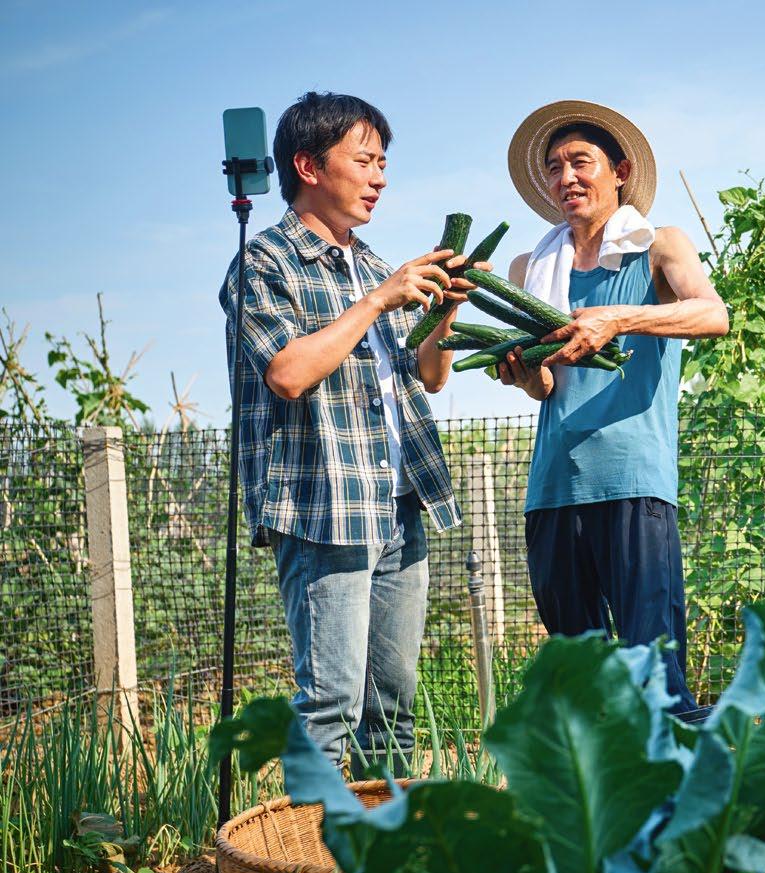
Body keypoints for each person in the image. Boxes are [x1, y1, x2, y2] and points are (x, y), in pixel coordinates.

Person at [219, 91, 485, 771]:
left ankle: (383, 833)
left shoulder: (372, 265)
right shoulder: (263, 264)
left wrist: (446, 310)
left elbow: (429, 375)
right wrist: (377, 301)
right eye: (364, 161)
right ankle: (313, 839)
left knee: (392, 708)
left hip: (399, 503)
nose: (379, 178)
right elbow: (288, 373)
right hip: (325, 509)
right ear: (308, 166)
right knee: (330, 705)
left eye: (383, 164)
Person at [495, 101, 728, 717]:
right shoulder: (530, 268)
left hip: (632, 481)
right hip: (553, 489)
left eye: (581, 162)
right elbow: (546, 387)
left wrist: (618, 319)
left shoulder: (658, 246)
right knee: (584, 689)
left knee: (657, 682)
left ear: (620, 171)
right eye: (554, 167)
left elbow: (714, 314)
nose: (565, 177)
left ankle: (695, 773)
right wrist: (524, 375)